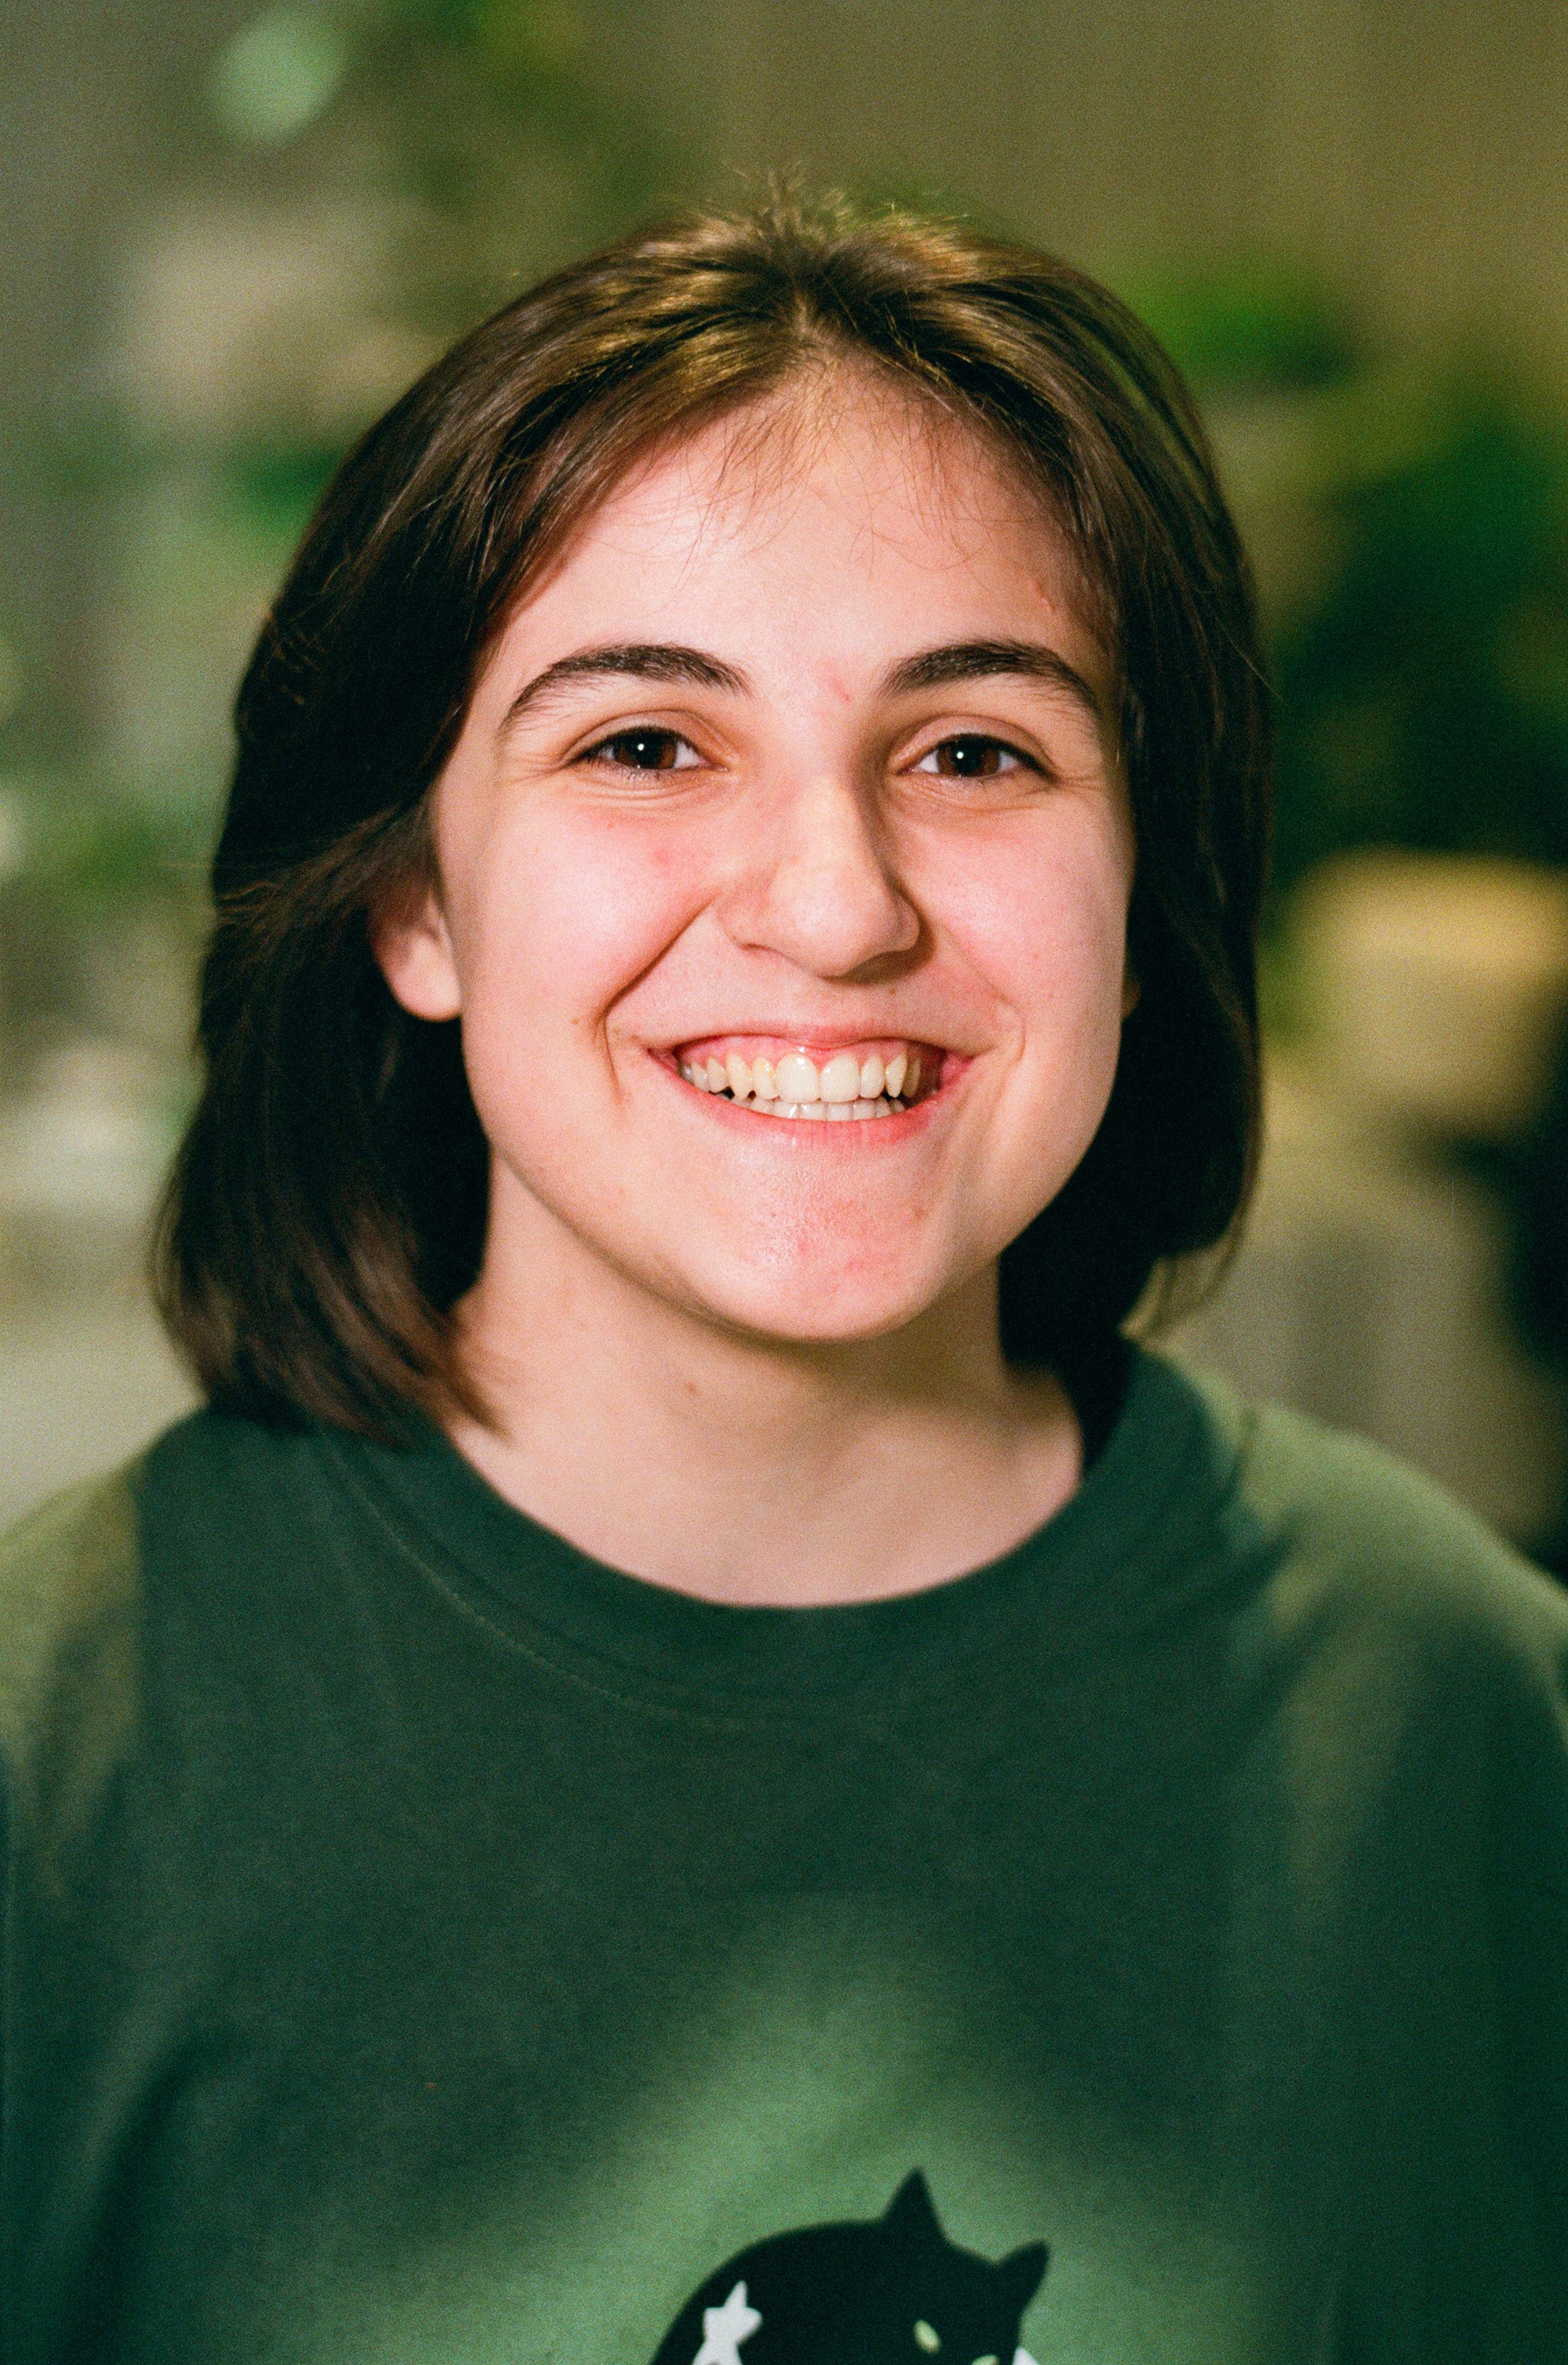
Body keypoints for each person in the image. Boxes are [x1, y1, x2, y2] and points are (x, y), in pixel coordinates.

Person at [2, 194, 1564, 2365]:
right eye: (645, 744)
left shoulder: (1457, 1718)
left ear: (1144, 895)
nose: (835, 910)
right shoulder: (60, 1760)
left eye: (975, 751)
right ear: (413, 902)